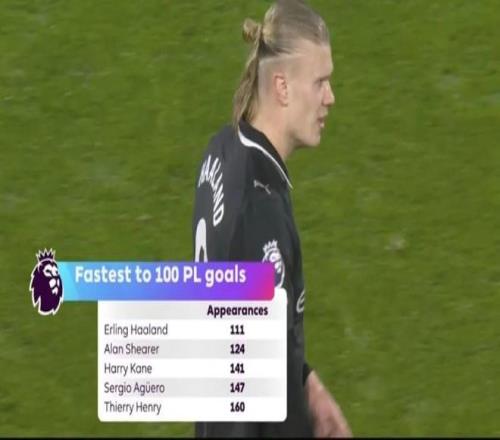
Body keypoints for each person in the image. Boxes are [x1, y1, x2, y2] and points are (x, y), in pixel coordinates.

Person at [192, 0, 352, 437]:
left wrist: (306, 381)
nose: (330, 97)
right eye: (320, 83)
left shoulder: (222, 150)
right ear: (282, 87)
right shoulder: (260, 210)